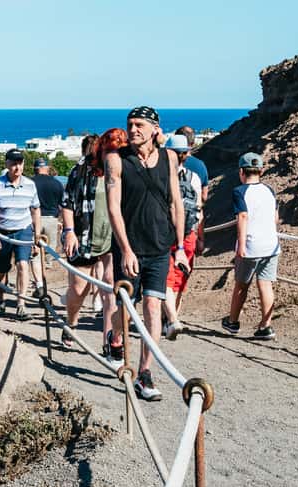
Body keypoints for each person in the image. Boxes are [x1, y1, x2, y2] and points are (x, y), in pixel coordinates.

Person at [104, 106, 189, 401]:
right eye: (130, 124)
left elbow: (177, 203)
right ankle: (114, 337)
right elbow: (113, 208)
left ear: (155, 129)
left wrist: (179, 247)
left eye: (140, 124)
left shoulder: (169, 157)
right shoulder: (116, 160)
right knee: (126, 310)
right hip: (130, 246)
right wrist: (125, 249)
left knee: (153, 306)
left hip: (159, 245)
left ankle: (145, 372)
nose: (133, 129)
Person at [61, 133, 117, 360]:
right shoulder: (80, 171)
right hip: (84, 237)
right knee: (78, 290)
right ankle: (71, 324)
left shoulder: (117, 169)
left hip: (111, 238)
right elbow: (66, 203)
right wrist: (69, 232)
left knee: (111, 288)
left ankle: (110, 341)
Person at [223, 153, 279, 341]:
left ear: (241, 172)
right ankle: (266, 325)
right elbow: (275, 218)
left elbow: (243, 217)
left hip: (251, 246)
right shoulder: (270, 190)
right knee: (265, 284)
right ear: (261, 170)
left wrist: (241, 245)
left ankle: (232, 321)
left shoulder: (239, 192)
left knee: (241, 284)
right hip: (271, 244)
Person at [0, 148, 41, 320]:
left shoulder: (30, 185)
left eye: (20, 163)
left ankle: (21, 305)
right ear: (7, 164)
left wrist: (36, 235)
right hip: (1, 231)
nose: (17, 167)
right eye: (13, 163)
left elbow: (36, 210)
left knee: (23, 265)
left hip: (23, 231)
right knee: (1, 269)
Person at [161, 134, 205, 340]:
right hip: (188, 234)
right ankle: (172, 318)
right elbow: (199, 208)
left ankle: (170, 320)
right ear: (185, 154)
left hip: (163, 233)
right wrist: (199, 236)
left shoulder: (159, 175)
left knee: (165, 279)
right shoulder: (193, 177)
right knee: (179, 280)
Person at [30, 158, 64, 295]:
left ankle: (39, 283)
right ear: (47, 168)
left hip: (33, 220)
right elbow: (63, 205)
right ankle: (43, 281)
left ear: (35, 168)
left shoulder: (30, 182)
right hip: (51, 220)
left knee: (35, 254)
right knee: (49, 255)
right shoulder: (57, 183)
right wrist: (60, 221)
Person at [174, 126, 210, 204]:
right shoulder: (200, 165)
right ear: (192, 144)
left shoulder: (165, 162)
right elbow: (204, 196)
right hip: (191, 212)